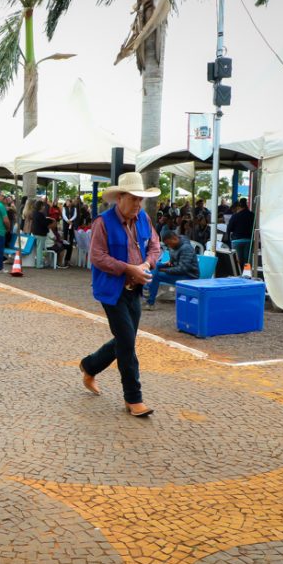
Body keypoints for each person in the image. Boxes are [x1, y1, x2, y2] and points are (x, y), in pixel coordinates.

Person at [79, 172, 161, 417]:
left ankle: (90, 365)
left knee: (125, 339)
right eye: (134, 199)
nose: (138, 204)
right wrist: (128, 269)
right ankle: (134, 399)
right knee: (127, 343)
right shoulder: (102, 222)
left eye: (140, 199)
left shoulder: (143, 218)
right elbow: (97, 257)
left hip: (135, 289)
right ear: (120, 198)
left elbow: (156, 246)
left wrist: (147, 263)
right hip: (112, 292)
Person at [145, 230, 199, 310]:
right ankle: (147, 288)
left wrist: (165, 270)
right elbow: (174, 258)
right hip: (177, 270)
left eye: (169, 244)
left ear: (174, 238)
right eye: (167, 244)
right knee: (155, 266)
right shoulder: (174, 245)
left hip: (188, 276)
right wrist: (170, 262)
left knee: (157, 275)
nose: (168, 246)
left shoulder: (186, 248)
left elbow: (183, 269)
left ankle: (150, 300)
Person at [227, 197, 254, 266]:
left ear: (239, 207)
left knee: (237, 261)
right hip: (249, 240)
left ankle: (239, 275)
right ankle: (247, 274)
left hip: (236, 240)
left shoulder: (235, 216)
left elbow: (229, 228)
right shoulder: (252, 215)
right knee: (247, 261)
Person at [31, 200, 50, 269]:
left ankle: (38, 263)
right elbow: (44, 223)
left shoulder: (34, 213)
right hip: (41, 234)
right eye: (43, 205)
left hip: (35, 232)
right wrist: (49, 220)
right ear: (41, 206)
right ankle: (39, 264)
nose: (44, 207)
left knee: (37, 249)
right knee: (39, 250)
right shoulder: (40, 214)